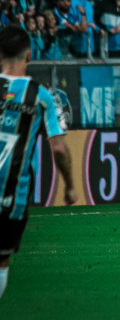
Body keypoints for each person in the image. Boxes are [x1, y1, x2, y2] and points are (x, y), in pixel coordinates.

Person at [0, 25, 78, 299]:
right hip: (11, 195)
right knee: (1, 261)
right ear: (29, 54)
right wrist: (69, 185)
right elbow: (59, 149)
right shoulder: (44, 96)